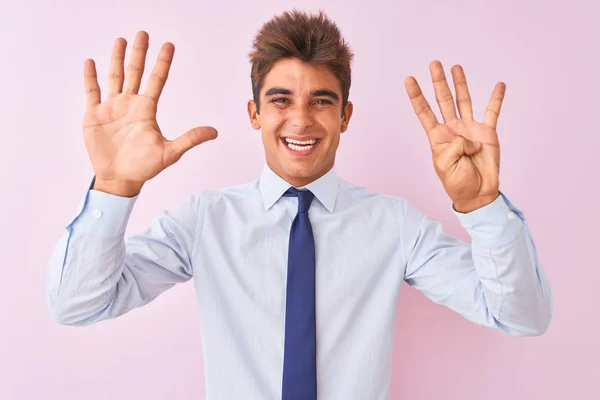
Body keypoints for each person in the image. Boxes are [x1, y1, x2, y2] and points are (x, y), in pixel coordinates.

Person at [45, 9, 553, 400]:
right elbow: (78, 304)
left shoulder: (394, 225)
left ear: (346, 115)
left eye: (322, 101)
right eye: (281, 100)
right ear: (255, 112)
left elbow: (521, 316)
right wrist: (112, 188)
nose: (301, 120)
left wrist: (482, 203)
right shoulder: (204, 221)